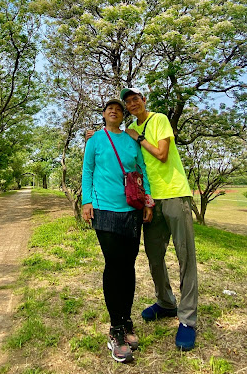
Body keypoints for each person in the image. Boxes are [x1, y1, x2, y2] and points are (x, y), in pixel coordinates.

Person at [120, 87, 198, 351]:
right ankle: (166, 303)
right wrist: (93, 138)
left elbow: (162, 154)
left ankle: (187, 320)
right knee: (154, 255)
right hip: (151, 201)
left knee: (185, 256)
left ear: (144, 101)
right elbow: (127, 156)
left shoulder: (159, 119)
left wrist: (139, 137)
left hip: (175, 194)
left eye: (135, 99)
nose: (132, 104)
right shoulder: (131, 128)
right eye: (128, 102)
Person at [82, 98, 154, 363]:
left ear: (124, 116)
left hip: (132, 210)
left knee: (129, 265)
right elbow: (87, 170)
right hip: (104, 208)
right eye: (109, 108)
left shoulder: (131, 140)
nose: (114, 111)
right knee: (114, 265)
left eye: (119, 109)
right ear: (104, 114)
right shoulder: (95, 140)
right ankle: (115, 329)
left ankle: (126, 321)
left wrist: (148, 202)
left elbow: (142, 170)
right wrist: (86, 201)